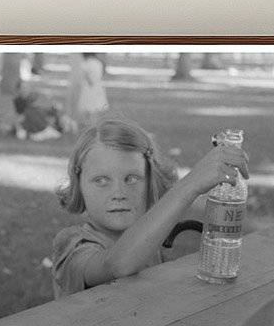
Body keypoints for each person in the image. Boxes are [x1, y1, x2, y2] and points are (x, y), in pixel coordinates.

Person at [50, 114, 248, 298]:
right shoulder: (71, 244)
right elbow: (115, 265)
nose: (118, 193)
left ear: (151, 181)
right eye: (101, 180)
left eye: (132, 178)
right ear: (79, 185)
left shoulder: (149, 236)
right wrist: (190, 185)